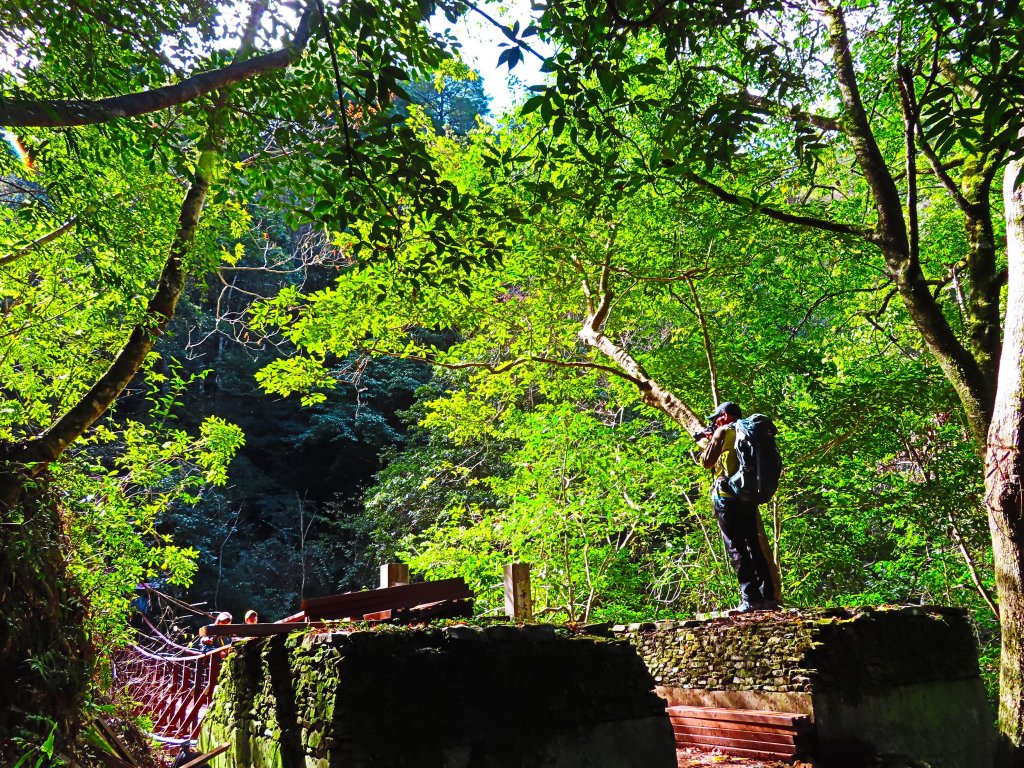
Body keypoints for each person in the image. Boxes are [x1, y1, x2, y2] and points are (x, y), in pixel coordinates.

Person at [696, 401, 781, 612]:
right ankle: (767, 596)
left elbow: (707, 462)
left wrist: (706, 443)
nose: (714, 422)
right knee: (754, 545)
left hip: (726, 497)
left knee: (737, 547)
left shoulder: (723, 431)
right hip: (748, 496)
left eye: (716, 417)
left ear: (724, 415)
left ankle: (750, 599)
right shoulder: (749, 432)